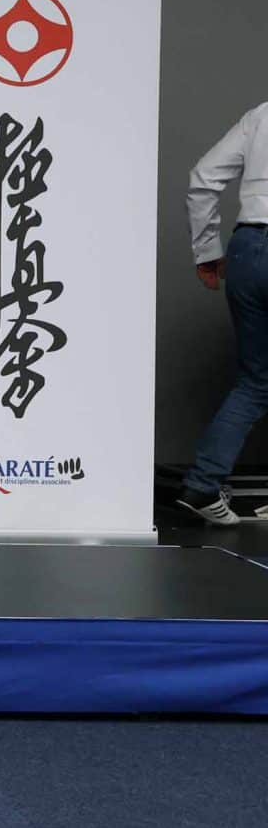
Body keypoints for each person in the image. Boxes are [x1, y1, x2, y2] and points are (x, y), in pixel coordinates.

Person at [176, 101, 268, 525]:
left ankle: (203, 485)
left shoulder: (262, 115)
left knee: (256, 381)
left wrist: (208, 251)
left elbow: (203, 178)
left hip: (248, 250)